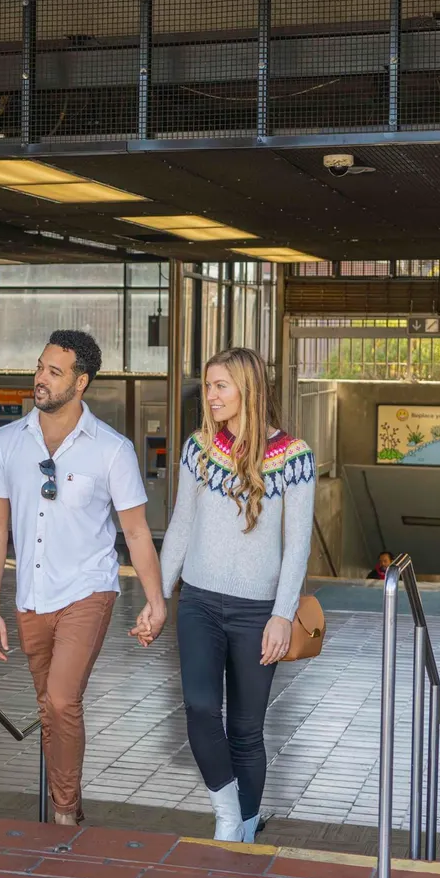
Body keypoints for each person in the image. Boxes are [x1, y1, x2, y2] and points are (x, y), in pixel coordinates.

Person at [0, 329, 167, 826]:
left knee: (62, 699)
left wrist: (156, 600)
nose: (40, 378)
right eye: (40, 367)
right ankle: (70, 807)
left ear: (80, 382)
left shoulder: (111, 450)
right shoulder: (6, 442)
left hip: (88, 589)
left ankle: (62, 813)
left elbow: (136, 531)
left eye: (54, 372)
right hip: (31, 596)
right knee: (49, 708)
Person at [136, 347, 315, 844]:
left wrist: (282, 615)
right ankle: (228, 816)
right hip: (198, 603)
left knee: (245, 729)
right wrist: (158, 598)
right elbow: (180, 527)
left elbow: (298, 546)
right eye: (208, 386)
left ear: (247, 390)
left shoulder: (294, 456)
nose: (210, 396)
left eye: (220, 386)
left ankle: (246, 833)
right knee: (198, 707)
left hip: (259, 613)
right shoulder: (199, 448)